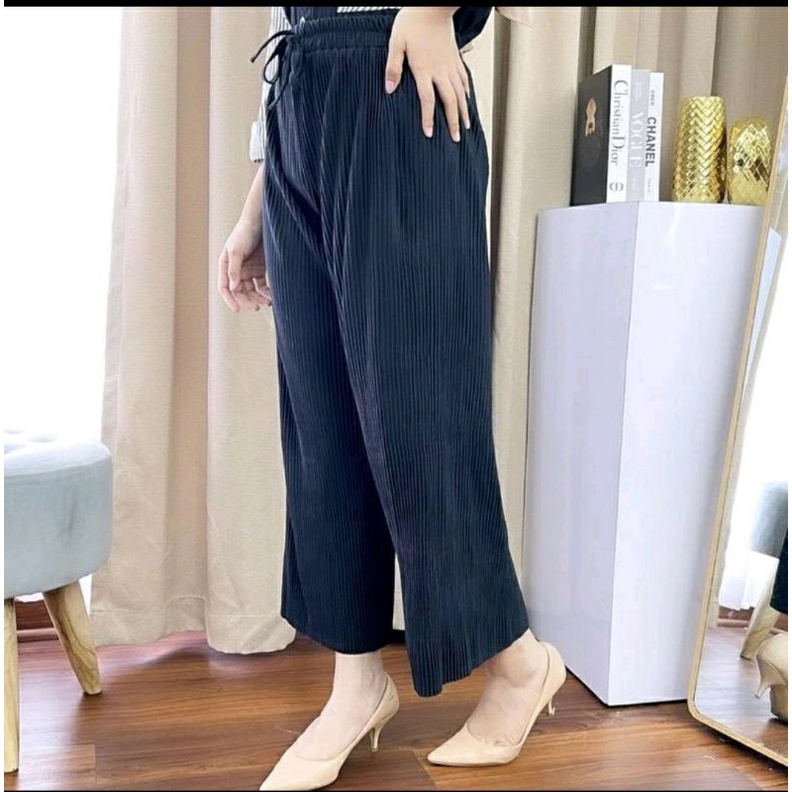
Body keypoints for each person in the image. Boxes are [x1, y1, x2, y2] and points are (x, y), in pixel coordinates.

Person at [217, 7, 566, 790]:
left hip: (399, 83)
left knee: (420, 417)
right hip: (298, 108)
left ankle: (518, 663)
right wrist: (254, 208)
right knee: (323, 424)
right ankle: (355, 680)